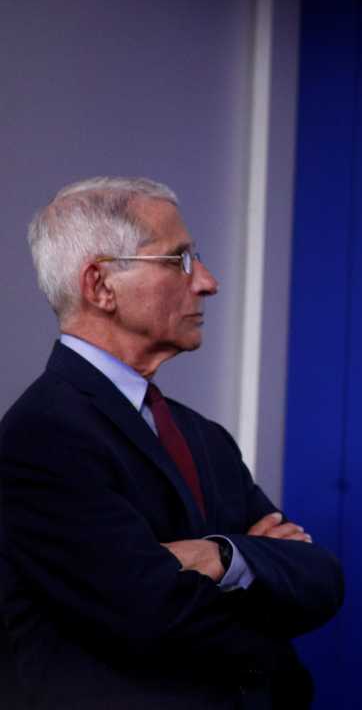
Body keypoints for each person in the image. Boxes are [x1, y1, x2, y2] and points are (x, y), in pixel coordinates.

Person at [0, 177, 344, 708]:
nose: (207, 282)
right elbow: (148, 612)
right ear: (100, 286)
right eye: (178, 260)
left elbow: (320, 578)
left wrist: (221, 555)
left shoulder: (203, 436)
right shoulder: (42, 436)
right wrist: (262, 583)